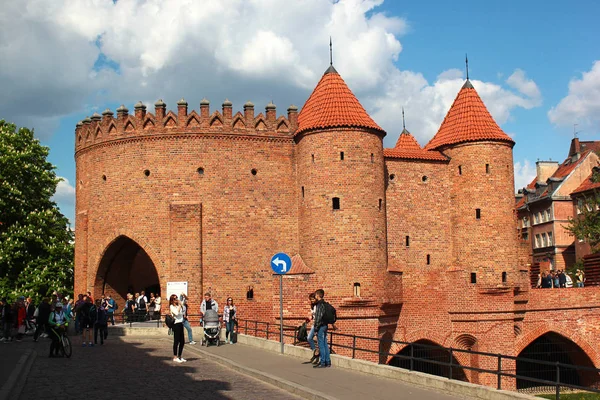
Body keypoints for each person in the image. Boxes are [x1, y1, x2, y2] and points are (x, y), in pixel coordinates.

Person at [313, 289, 331, 368]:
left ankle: (322, 362)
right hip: (325, 325)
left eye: (316, 295)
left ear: (318, 295)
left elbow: (318, 317)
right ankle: (328, 361)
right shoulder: (325, 304)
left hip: (320, 326)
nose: (315, 296)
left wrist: (316, 328)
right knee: (325, 344)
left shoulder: (319, 305)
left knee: (321, 344)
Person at [169, 294, 186, 363]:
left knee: (182, 341)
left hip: (181, 323)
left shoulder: (179, 306)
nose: (176, 300)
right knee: (176, 341)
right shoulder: (171, 306)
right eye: (174, 299)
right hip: (176, 324)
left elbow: (182, 312)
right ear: (172, 300)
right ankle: (175, 356)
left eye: (176, 298)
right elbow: (176, 313)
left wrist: (181, 303)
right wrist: (179, 306)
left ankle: (180, 356)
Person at [306, 293, 319, 363]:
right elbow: (312, 315)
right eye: (311, 299)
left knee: (318, 340)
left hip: (318, 325)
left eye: (313, 299)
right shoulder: (312, 306)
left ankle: (317, 355)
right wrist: (308, 319)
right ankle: (315, 351)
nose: (312, 301)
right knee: (309, 338)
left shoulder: (318, 306)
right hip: (314, 324)